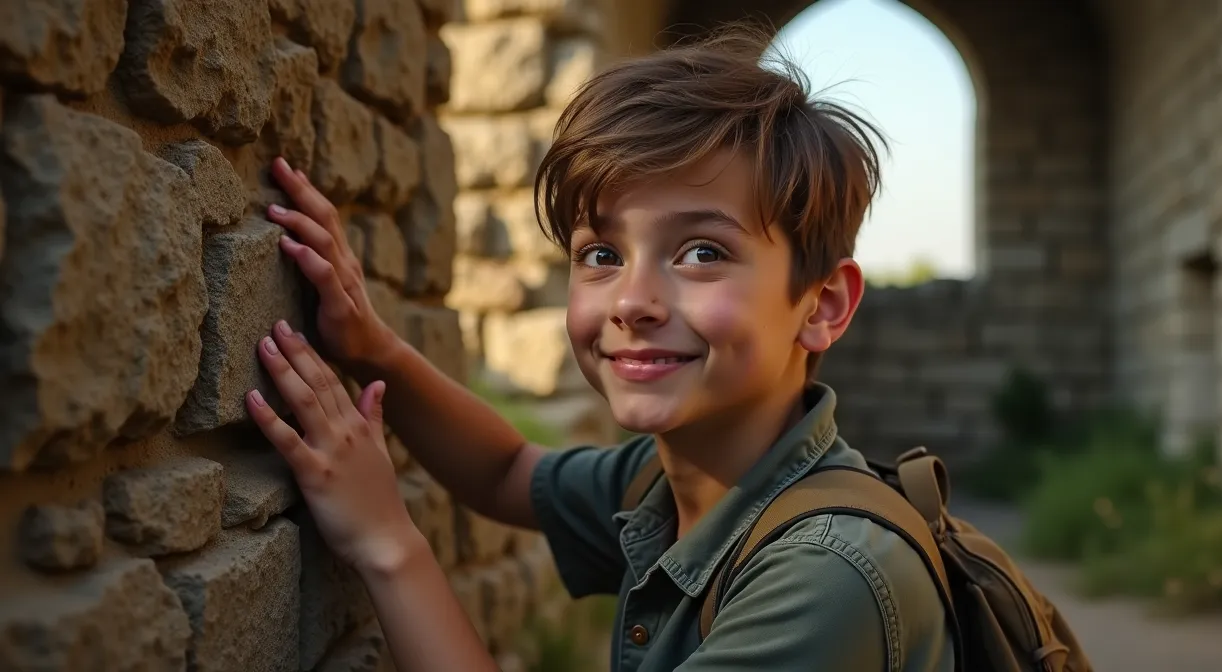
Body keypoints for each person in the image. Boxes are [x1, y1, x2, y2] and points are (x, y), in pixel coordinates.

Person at [247, 27, 954, 672]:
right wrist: (371, 349)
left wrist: (388, 546)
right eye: (602, 253)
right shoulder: (672, 479)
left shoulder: (828, 579)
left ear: (822, 305)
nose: (630, 302)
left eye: (702, 252)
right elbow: (507, 471)